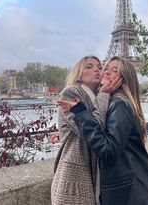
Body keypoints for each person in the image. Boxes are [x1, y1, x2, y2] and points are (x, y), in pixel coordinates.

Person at [61, 56, 148, 205]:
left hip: (128, 192)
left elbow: (108, 149)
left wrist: (80, 112)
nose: (103, 72)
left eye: (114, 71)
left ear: (123, 79)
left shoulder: (118, 104)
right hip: (133, 189)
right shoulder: (109, 100)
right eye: (106, 68)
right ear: (78, 73)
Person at [51, 55, 121, 205]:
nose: (96, 69)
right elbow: (92, 129)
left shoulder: (99, 96)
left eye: (99, 67)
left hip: (94, 173)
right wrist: (104, 93)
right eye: (89, 67)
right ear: (79, 74)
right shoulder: (70, 93)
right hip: (74, 175)